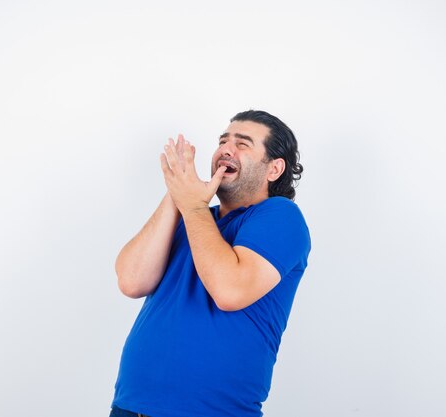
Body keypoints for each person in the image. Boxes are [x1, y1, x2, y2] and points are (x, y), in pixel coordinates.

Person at [110, 110, 311, 417]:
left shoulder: (281, 217)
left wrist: (191, 204)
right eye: (222, 141)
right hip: (129, 407)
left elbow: (230, 291)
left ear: (274, 168)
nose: (225, 150)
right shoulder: (195, 217)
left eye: (242, 144)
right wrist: (178, 193)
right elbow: (131, 280)